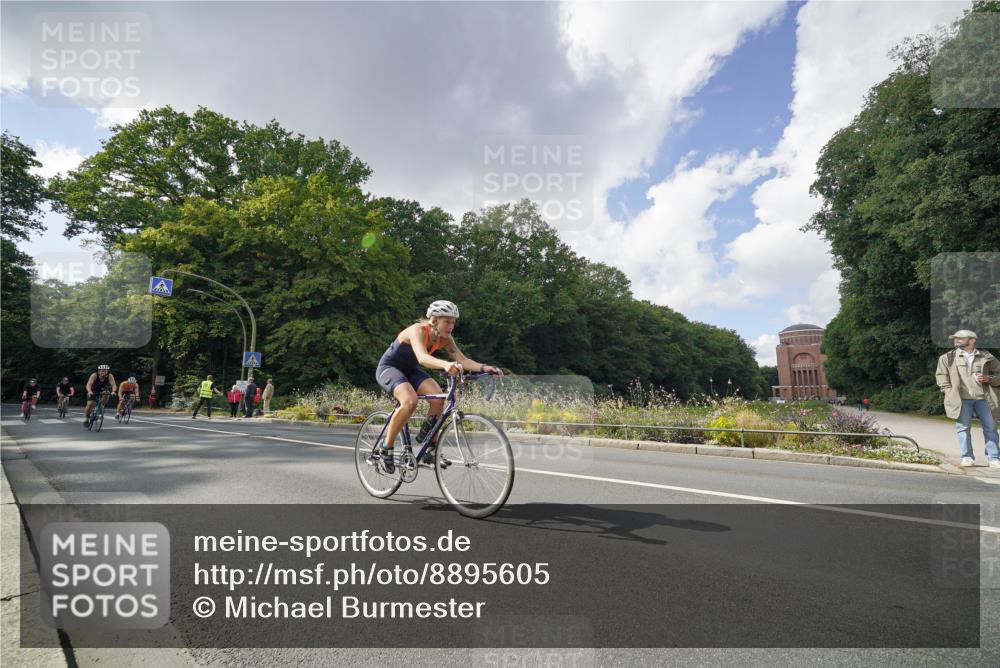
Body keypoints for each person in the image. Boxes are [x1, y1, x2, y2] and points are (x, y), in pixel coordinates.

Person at [374, 300, 502, 473]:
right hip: (390, 368)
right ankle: (386, 448)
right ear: (434, 320)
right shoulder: (418, 330)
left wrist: (484, 367)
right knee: (410, 401)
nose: (451, 326)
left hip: (411, 370)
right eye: (446, 321)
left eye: (453, 322)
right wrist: (445, 364)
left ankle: (430, 449)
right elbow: (422, 358)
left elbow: (462, 360)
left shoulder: (445, 339)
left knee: (438, 399)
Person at [935, 329, 1000, 468]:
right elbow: (941, 376)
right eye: (955, 338)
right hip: (961, 399)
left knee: (991, 428)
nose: (956, 340)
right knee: (963, 428)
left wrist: (989, 378)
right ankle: (967, 457)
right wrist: (948, 391)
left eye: (960, 338)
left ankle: (994, 458)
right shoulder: (947, 358)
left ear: (972, 340)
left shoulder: (987, 356)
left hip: (984, 399)